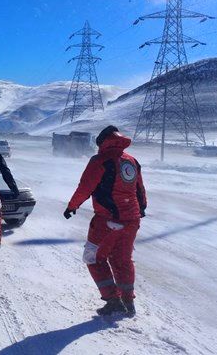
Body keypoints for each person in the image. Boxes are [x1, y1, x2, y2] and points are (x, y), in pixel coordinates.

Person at [63, 125, 147, 316]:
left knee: (93, 257)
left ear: (102, 142)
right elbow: (140, 190)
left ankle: (112, 299)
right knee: (123, 260)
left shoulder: (100, 160)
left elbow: (85, 187)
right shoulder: (131, 161)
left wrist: (72, 206)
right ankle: (128, 301)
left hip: (107, 220)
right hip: (131, 220)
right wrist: (140, 210)